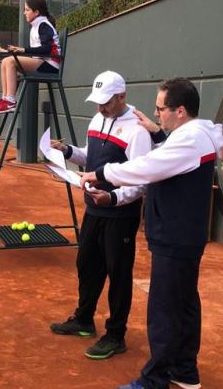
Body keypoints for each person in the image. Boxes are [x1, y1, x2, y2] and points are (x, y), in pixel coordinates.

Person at [80, 78, 223, 389]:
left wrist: (101, 173)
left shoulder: (191, 139)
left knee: (164, 310)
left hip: (176, 235)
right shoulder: (193, 134)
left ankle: (153, 380)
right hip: (182, 234)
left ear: (181, 111)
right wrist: (159, 133)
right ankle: (184, 372)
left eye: (161, 109)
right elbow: (167, 160)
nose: (156, 114)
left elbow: (148, 167)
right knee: (183, 304)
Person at [49, 71, 154, 360]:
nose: (100, 108)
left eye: (106, 102)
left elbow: (142, 179)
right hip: (94, 207)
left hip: (120, 214)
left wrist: (114, 198)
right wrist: (67, 151)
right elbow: (90, 156)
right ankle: (84, 320)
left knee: (118, 274)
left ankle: (116, 335)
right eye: (97, 102)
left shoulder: (138, 130)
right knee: (87, 264)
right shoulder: (97, 119)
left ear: (122, 97)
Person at [0, 0, 60, 114]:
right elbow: (36, 51)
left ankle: (10, 101)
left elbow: (46, 49)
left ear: (36, 12)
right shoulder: (36, 26)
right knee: (6, 61)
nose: (24, 13)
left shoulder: (43, 25)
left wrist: (23, 50)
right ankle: (5, 99)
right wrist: (9, 51)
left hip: (50, 65)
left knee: (10, 61)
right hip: (42, 62)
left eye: (27, 10)